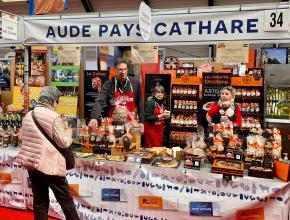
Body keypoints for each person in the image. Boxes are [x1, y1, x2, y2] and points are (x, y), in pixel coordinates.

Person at [16, 86, 80, 220]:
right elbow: (64, 142)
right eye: (58, 101)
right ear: (53, 101)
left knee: (40, 201)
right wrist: (69, 134)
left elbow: (23, 137)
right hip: (50, 164)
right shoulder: (54, 117)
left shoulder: (29, 115)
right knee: (66, 200)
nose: (58, 104)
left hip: (32, 164)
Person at [89, 58, 144, 129]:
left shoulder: (135, 83)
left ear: (127, 70)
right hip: (113, 124)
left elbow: (140, 104)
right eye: (120, 69)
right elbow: (99, 101)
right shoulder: (108, 84)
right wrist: (94, 118)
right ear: (115, 70)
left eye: (125, 69)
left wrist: (141, 122)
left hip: (131, 124)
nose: (123, 72)